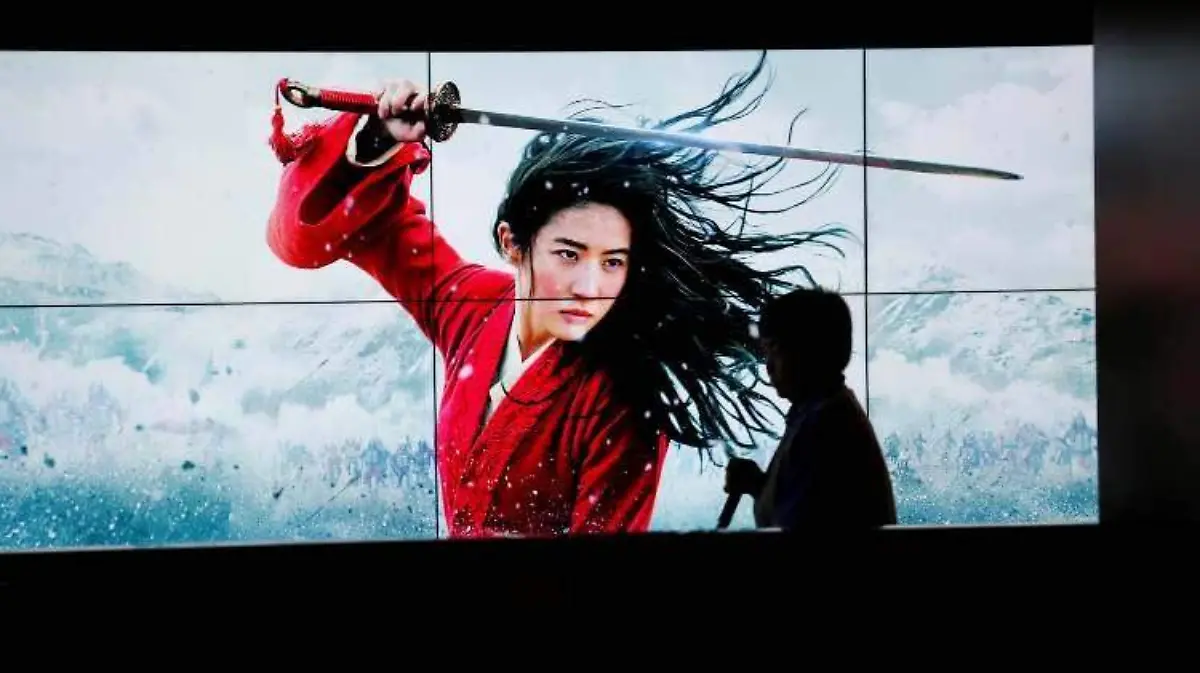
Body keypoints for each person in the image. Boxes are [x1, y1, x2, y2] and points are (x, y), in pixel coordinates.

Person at [265, 52, 849, 538]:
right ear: (512, 243)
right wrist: (378, 137)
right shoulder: (473, 305)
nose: (590, 288)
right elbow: (350, 231)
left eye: (612, 262)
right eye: (568, 254)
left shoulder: (621, 402)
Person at [724, 288, 898, 529]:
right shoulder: (823, 411)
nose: (769, 366)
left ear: (808, 349)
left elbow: (801, 533)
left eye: (776, 349)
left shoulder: (824, 426)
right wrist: (758, 486)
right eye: (767, 352)